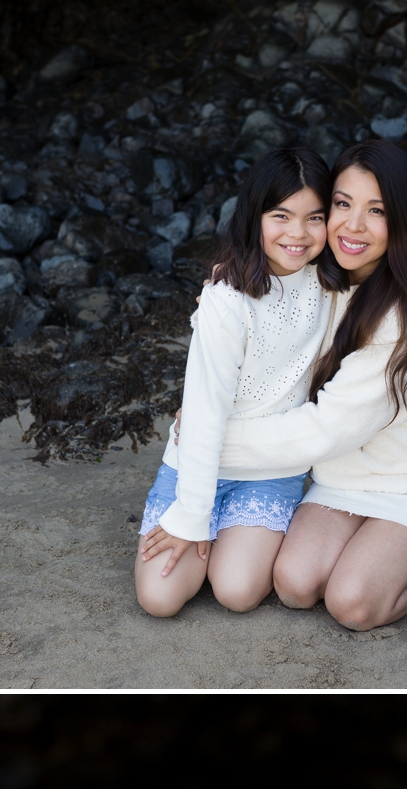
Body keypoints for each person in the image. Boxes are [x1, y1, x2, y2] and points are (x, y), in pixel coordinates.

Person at [204, 139, 407, 632]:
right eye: (342, 204)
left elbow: (323, 431)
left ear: (401, 220)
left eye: (376, 210)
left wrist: (211, 440)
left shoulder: (404, 310)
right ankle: (382, 547)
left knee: (351, 604)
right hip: (344, 475)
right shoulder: (319, 269)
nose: (353, 226)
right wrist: (227, 285)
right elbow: (257, 299)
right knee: (294, 585)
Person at [134, 148, 335, 619]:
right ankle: (205, 524)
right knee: (159, 599)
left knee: (237, 591)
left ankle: (239, 539)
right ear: (254, 216)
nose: (298, 234)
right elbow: (203, 412)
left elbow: (382, 239)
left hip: (271, 471)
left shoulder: (334, 285)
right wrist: (191, 516)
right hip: (196, 464)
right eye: (281, 216)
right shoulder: (227, 299)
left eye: (315, 218)